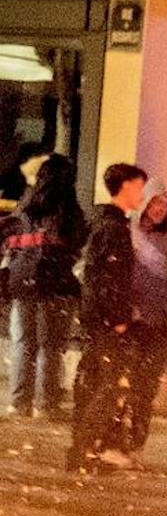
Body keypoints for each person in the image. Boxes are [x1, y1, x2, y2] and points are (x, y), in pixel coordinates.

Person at [67, 161, 148, 472]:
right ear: (125, 186)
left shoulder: (107, 223)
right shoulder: (113, 228)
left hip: (97, 316)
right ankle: (85, 449)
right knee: (108, 385)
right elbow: (107, 277)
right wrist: (117, 316)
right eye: (139, 186)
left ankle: (88, 448)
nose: (141, 193)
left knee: (100, 383)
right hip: (105, 319)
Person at [2, 153, 86, 418]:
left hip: (23, 281)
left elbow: (10, 239)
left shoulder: (26, 204)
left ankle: (19, 402)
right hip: (55, 283)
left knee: (22, 342)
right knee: (50, 346)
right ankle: (46, 403)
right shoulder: (68, 209)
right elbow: (77, 241)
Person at [119, 183, 167, 461]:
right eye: (157, 203)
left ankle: (136, 442)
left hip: (157, 321)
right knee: (127, 382)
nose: (160, 210)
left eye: (165, 206)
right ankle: (117, 439)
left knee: (146, 386)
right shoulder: (128, 234)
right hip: (134, 320)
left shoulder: (163, 239)